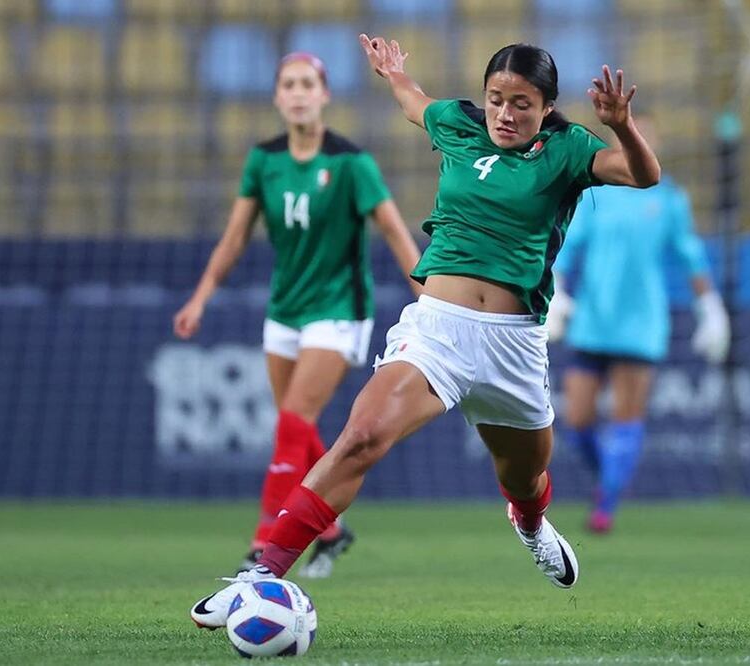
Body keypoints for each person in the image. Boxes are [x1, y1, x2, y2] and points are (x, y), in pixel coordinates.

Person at [190, 34, 661, 629]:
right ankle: (260, 576)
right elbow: (415, 101)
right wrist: (393, 73)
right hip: (438, 328)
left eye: (521, 103)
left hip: (514, 343)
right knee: (361, 437)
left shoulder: (566, 149)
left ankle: (530, 522)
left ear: (546, 107)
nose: (505, 114)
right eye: (496, 99)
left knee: (524, 474)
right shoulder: (458, 125)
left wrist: (622, 126)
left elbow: (644, 175)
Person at [173, 52, 422, 580]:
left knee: (290, 423)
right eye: (289, 84)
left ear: (324, 93)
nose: (299, 92)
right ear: (277, 96)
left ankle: (263, 545)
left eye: (308, 83)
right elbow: (235, 237)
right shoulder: (263, 160)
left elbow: (396, 234)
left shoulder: (352, 164)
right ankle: (330, 530)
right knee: (297, 428)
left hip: (338, 309)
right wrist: (200, 297)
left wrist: (429, 299)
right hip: (285, 309)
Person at [547, 113, 730, 534]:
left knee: (627, 419)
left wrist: (710, 305)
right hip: (593, 321)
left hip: (640, 324)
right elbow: (568, 248)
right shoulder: (598, 193)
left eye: (647, 135)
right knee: (577, 421)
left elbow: (691, 257)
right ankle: (605, 483)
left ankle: (605, 508)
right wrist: (556, 288)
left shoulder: (668, 200)